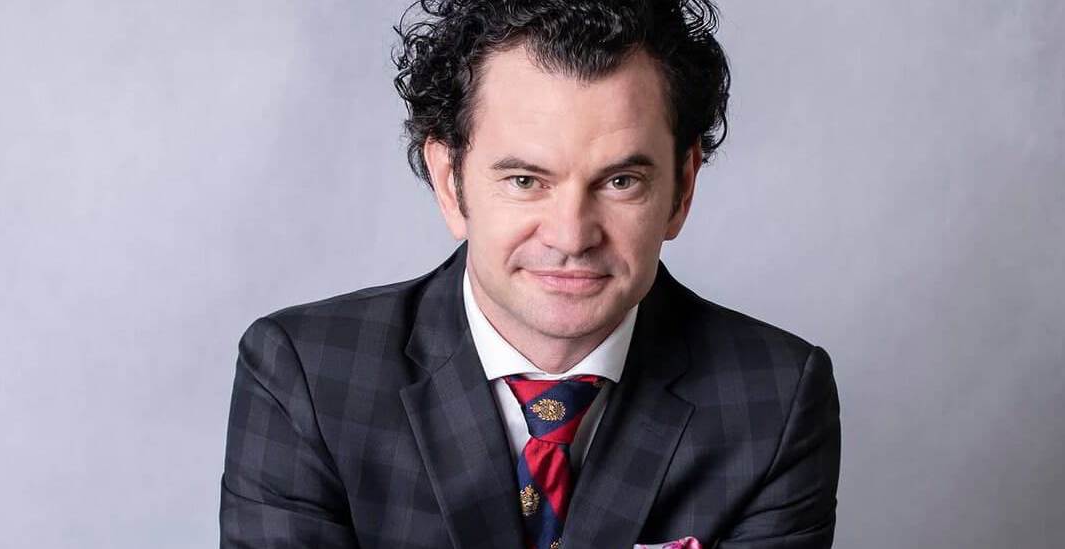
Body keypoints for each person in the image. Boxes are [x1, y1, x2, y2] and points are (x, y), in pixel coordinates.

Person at [218, 1, 841, 547]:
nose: (571, 236)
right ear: (450, 183)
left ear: (681, 189)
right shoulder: (306, 378)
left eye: (620, 181)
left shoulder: (776, 399)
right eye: (525, 180)